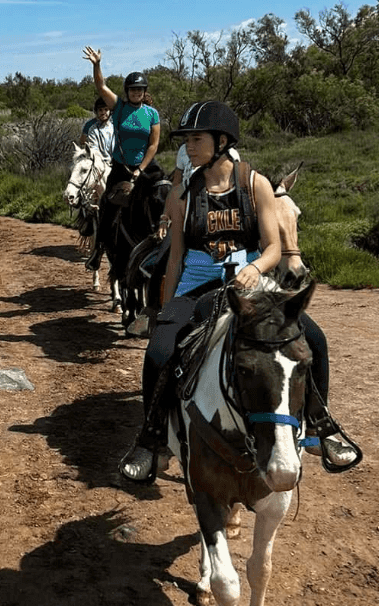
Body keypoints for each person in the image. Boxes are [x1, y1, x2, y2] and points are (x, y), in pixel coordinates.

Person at [119, 99, 360, 482]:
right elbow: (177, 258)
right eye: (187, 140)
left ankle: (320, 424)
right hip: (199, 285)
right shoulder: (185, 196)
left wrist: (254, 268)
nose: (188, 147)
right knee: (159, 352)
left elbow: (273, 248)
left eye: (196, 139)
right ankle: (151, 440)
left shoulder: (254, 184)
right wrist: (166, 310)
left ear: (221, 140)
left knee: (314, 338)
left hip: (251, 284)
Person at [82, 48, 162, 271]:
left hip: (145, 164)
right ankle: (98, 249)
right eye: (133, 89)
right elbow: (101, 87)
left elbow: (154, 145)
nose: (136, 92)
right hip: (121, 166)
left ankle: (168, 240)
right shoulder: (119, 108)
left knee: (164, 192)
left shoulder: (151, 114)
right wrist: (97, 65)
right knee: (107, 203)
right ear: (127, 91)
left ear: (144, 91)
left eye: (140, 89)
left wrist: (141, 169)